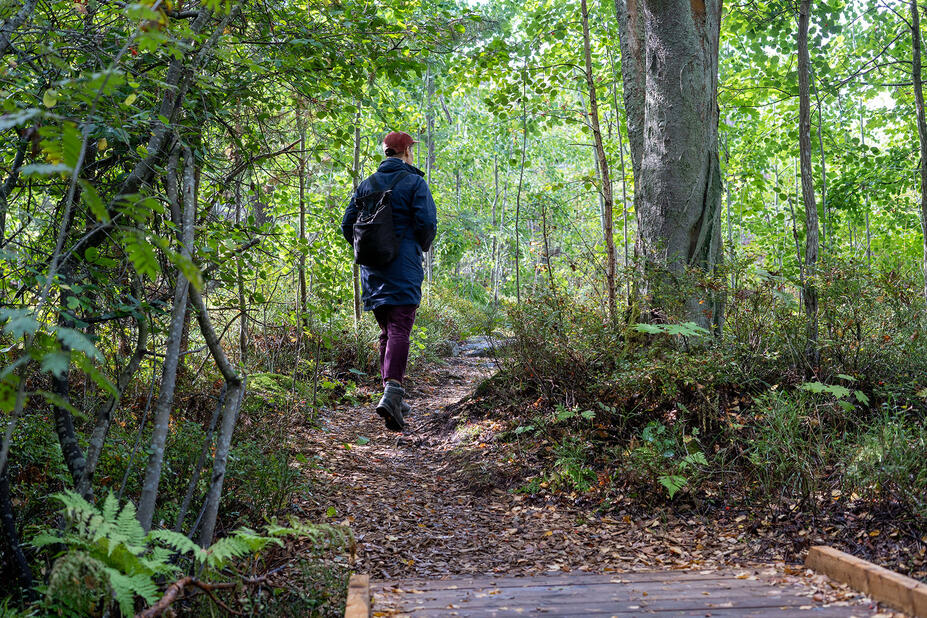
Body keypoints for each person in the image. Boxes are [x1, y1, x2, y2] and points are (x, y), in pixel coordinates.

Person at [341, 131, 437, 432]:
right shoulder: (414, 182)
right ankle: (393, 391)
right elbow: (427, 223)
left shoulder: (366, 184)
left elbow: (347, 224)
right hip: (403, 267)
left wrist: (371, 249)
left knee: (387, 331)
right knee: (399, 328)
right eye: (411, 149)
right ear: (406, 152)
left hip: (372, 271)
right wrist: (417, 246)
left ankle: (391, 393)